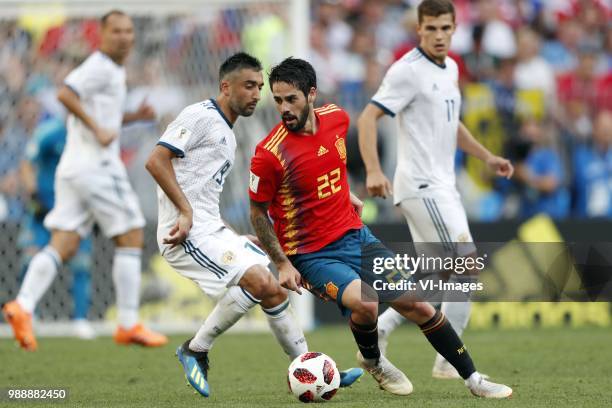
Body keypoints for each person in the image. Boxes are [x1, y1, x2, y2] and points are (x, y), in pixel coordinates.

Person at [249, 56, 512, 398]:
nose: (284, 107)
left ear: (311, 94)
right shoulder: (269, 154)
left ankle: (474, 379)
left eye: (291, 99)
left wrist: (346, 194)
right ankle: (374, 361)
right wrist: (283, 262)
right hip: (312, 253)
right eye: (278, 99)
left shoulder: (337, 119)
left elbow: (330, 165)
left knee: (418, 306)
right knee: (367, 303)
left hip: (356, 236)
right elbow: (257, 212)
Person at [145, 52, 362, 398]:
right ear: (225, 86)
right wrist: (185, 213)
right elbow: (156, 160)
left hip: (207, 229)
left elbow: (203, 199)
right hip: (182, 233)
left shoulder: (228, 136)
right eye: (249, 86)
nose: (256, 94)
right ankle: (195, 349)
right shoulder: (200, 116)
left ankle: (311, 369)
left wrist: (231, 235)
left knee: (273, 288)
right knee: (260, 278)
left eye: (260, 87)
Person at [357, 0, 514, 380]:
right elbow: (368, 116)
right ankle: (449, 359)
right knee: (467, 266)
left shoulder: (452, 69)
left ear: (455, 28)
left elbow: (450, 122)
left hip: (444, 186)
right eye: (432, 29)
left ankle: (381, 328)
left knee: (436, 277)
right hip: (422, 186)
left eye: (445, 28)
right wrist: (375, 170)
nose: (439, 36)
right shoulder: (406, 71)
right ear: (419, 30)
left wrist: (487, 156)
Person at [2, 10, 167, 351]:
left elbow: (104, 115)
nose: (124, 37)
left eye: (128, 31)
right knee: (132, 232)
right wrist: (97, 129)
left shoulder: (114, 71)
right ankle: (127, 323)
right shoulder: (99, 65)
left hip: (73, 168)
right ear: (102, 35)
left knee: (64, 241)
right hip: (96, 166)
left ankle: (23, 305)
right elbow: (65, 94)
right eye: (116, 31)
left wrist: (134, 117)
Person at [17, 118, 96, 339]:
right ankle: (29, 315)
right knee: (31, 259)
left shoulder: (90, 135)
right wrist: (33, 195)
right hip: (44, 209)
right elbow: (27, 164)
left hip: (75, 212)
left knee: (81, 265)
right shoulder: (49, 132)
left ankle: (80, 319)